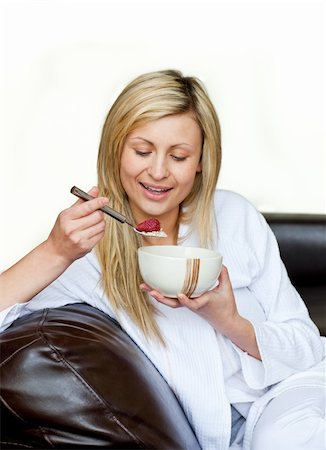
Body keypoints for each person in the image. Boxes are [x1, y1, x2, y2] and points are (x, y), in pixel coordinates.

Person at [0, 69, 325, 450]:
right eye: (142, 151)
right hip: (224, 436)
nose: (157, 172)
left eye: (179, 156)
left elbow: (306, 347)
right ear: (115, 150)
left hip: (293, 393)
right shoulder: (91, 256)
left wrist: (230, 321)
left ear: (202, 160)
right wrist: (54, 251)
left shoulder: (234, 215)